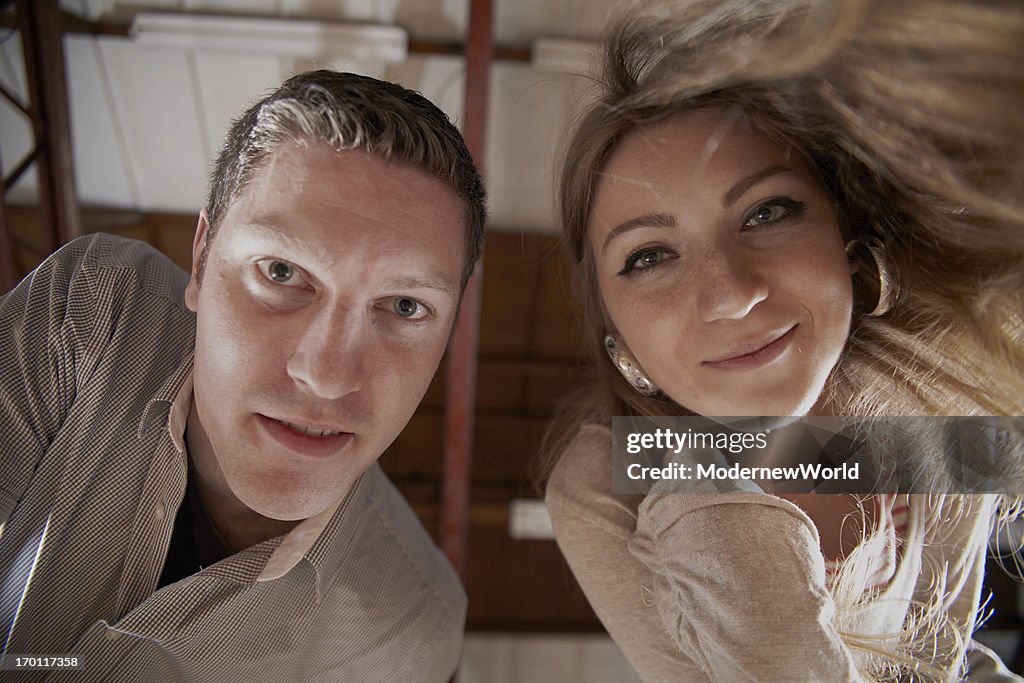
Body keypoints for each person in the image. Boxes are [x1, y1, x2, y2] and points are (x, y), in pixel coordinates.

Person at [541, 0, 1024, 680]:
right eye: (649, 255)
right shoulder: (602, 484)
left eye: (768, 211)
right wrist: (717, 516)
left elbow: (943, 662)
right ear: (619, 341)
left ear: (849, 248)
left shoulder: (936, 393)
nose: (731, 292)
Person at [0, 70, 485, 681]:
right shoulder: (95, 308)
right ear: (201, 260)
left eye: (406, 306)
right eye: (281, 273)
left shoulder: (411, 630)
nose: (327, 376)